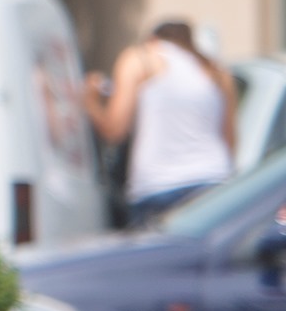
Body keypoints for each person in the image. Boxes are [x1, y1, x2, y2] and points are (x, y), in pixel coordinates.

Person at [84, 19, 236, 227]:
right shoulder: (216, 71)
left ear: (152, 39)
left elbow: (114, 130)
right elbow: (230, 142)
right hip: (214, 184)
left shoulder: (140, 58)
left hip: (158, 187)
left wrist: (89, 101)